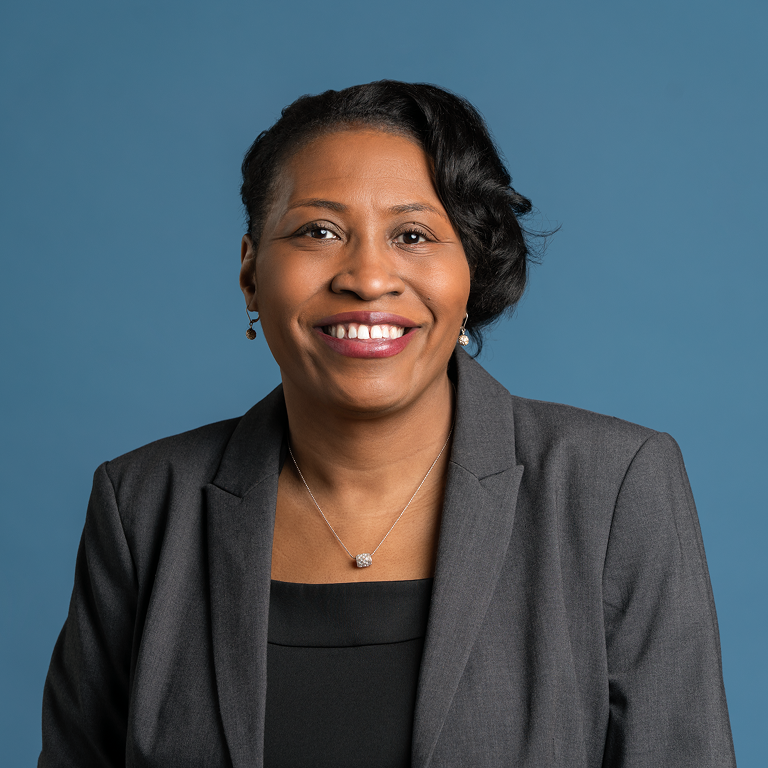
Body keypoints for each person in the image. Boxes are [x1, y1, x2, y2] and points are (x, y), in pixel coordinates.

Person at [39, 80, 736, 767]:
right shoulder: (142, 506)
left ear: (470, 272)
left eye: (412, 235)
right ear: (251, 272)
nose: (368, 278)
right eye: (318, 231)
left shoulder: (613, 488)